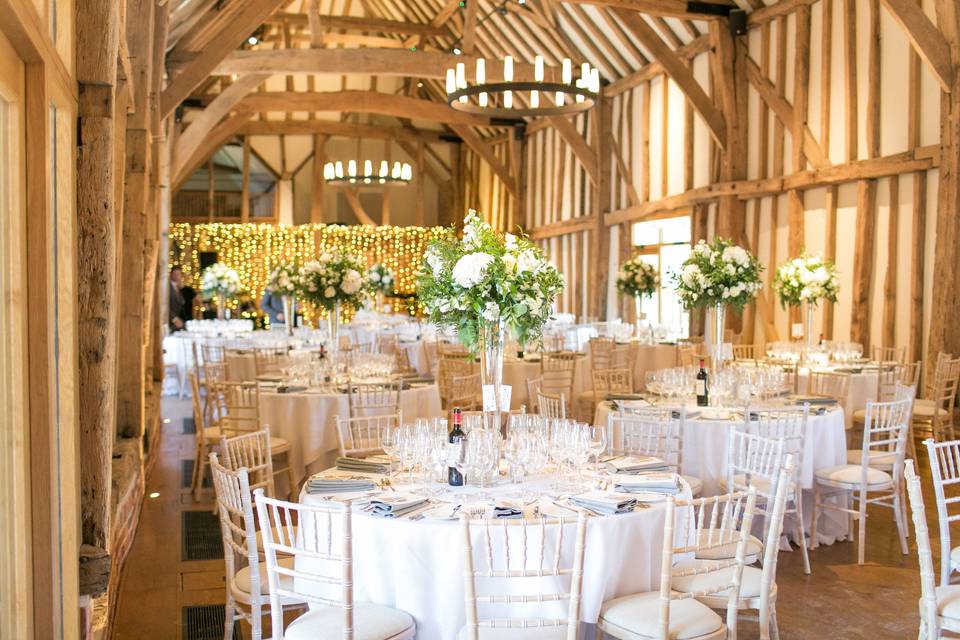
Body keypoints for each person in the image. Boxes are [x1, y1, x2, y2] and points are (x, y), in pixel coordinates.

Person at [168, 265, 186, 331]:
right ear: (171, 274)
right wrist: (174, 318)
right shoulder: (168, 287)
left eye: (178, 274)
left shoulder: (178, 287)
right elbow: (164, 305)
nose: (177, 276)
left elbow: (182, 302)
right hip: (170, 321)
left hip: (178, 320)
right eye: (175, 274)